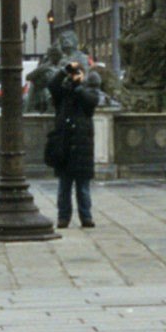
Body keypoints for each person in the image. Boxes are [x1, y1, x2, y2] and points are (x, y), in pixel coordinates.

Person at [47, 61, 99, 228]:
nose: (74, 75)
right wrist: (64, 71)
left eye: (78, 72)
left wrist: (79, 86)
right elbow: (52, 85)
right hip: (65, 146)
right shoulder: (63, 93)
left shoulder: (87, 91)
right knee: (64, 187)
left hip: (82, 146)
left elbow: (91, 102)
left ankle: (86, 216)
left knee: (83, 188)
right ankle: (63, 217)